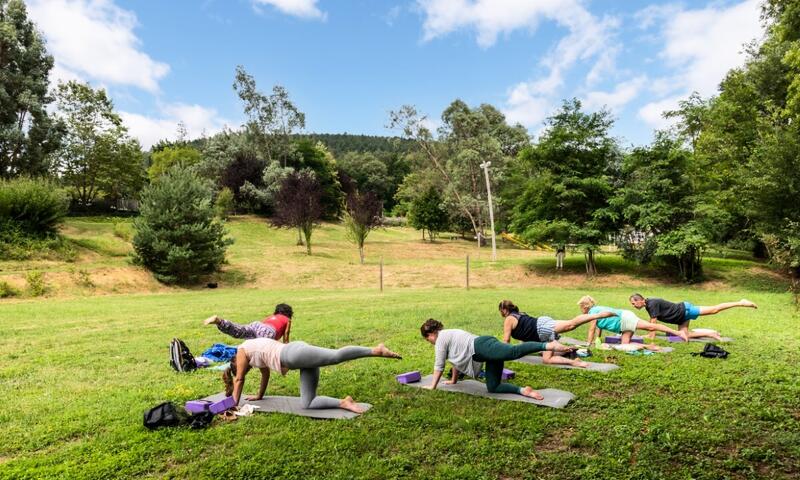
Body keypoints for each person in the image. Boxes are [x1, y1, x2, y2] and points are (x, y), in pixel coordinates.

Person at [222, 337, 401, 413]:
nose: (245, 370)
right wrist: (260, 395)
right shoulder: (252, 353)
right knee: (308, 403)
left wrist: (234, 404)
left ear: (237, 364)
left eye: (243, 368)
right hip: (300, 362)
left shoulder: (242, 350)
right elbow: (265, 373)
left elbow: (239, 379)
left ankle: (376, 350)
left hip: (293, 354)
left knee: (335, 356)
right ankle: (345, 402)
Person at [420, 319, 574, 400]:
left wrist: (433, 386)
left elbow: (439, 365)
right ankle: (524, 391)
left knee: (512, 352)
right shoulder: (448, 335)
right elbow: (455, 361)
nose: (430, 342)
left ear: (430, 334)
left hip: (481, 346)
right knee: (493, 387)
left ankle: (547, 345)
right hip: (485, 353)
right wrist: (454, 381)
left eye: (428, 340)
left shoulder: (441, 338)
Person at [498, 300, 615, 368]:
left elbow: (506, 340)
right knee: (570, 325)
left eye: (501, 311)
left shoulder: (509, 319)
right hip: (542, 327)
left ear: (503, 310)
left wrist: (503, 355)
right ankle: (569, 351)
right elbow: (525, 338)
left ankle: (597, 315)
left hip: (541, 330)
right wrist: (523, 349)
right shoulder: (520, 314)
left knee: (571, 324)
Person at [629, 293, 757, 341]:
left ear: (640, 300)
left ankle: (741, 302)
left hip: (685, 311)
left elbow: (653, 323)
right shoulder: (649, 304)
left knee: (714, 309)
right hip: (680, 317)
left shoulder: (652, 303)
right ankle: (712, 334)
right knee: (684, 335)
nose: (633, 306)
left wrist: (650, 336)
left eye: (634, 303)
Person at [577, 296, 688, 350]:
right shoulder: (597, 309)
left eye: (580, 307)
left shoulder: (592, 313)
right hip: (624, 323)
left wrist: (588, 344)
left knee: (651, 326)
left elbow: (591, 329)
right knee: (625, 345)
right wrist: (598, 339)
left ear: (584, 306)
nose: (580, 309)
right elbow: (598, 327)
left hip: (624, 320)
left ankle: (679, 333)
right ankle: (651, 346)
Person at [205, 303, 293, 342]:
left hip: (257, 325)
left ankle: (220, 322)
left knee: (239, 330)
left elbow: (262, 326)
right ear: (289, 313)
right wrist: (286, 348)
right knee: (259, 351)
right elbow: (286, 335)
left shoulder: (271, 316)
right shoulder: (287, 320)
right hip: (268, 331)